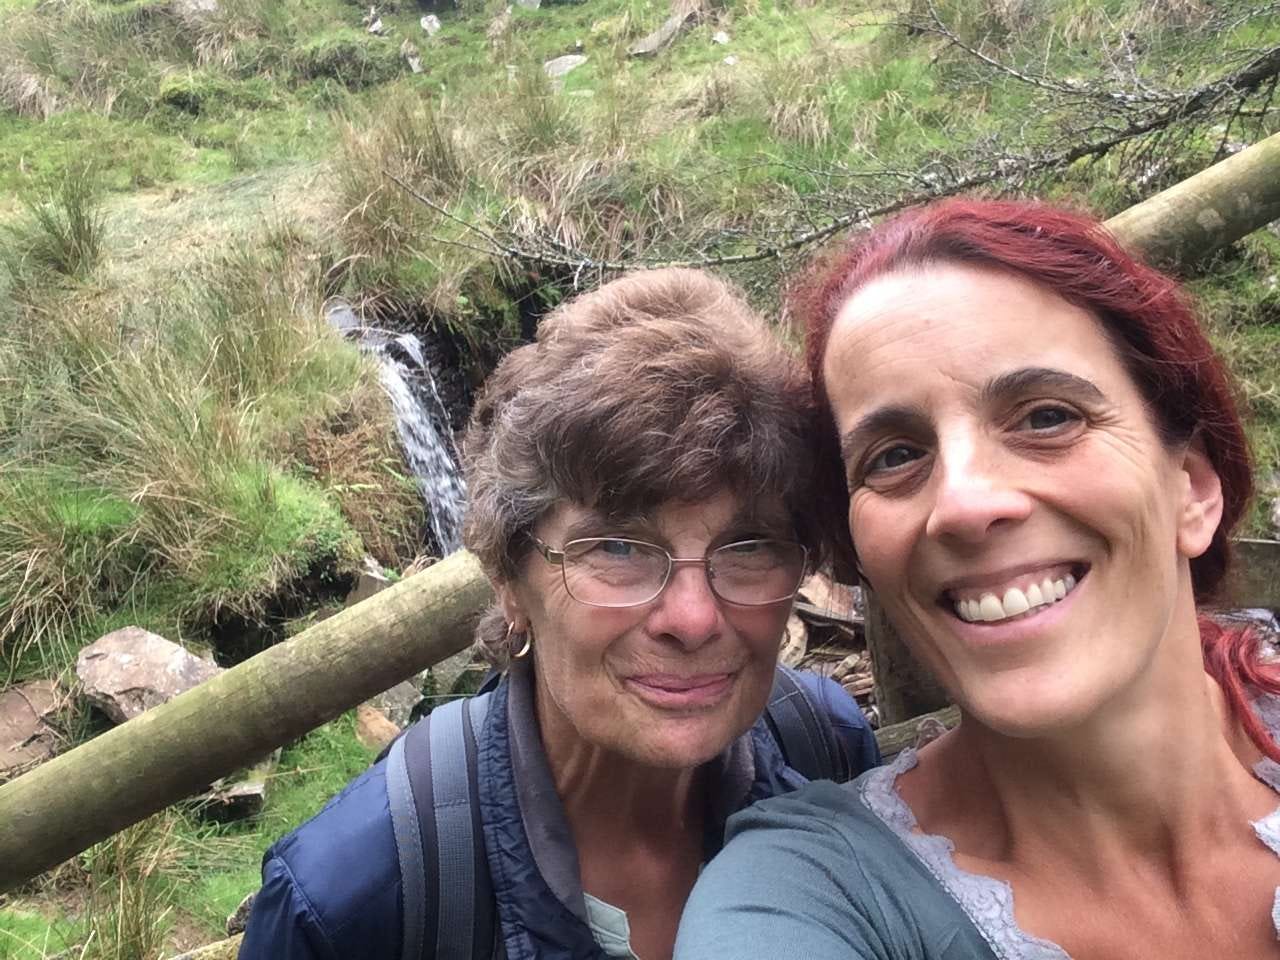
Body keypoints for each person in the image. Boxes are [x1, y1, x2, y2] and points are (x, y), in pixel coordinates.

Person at [674, 198, 1280, 959]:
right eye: (894, 456)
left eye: (1046, 417)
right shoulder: (804, 895)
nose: (963, 504)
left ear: (1192, 487)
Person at [238, 267, 879, 960]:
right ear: (510, 578)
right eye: (617, 548)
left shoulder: (828, 752)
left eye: (748, 547)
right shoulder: (349, 903)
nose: (693, 620)